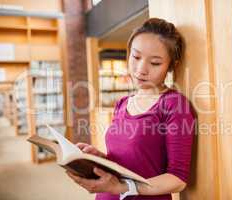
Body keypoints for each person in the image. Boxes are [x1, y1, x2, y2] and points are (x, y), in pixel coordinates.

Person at [66, 18, 196, 200]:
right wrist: (100, 158)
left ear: (170, 66)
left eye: (155, 63)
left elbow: (177, 179)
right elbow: (126, 163)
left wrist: (122, 187)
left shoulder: (174, 105)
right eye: (135, 57)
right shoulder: (122, 103)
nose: (141, 69)